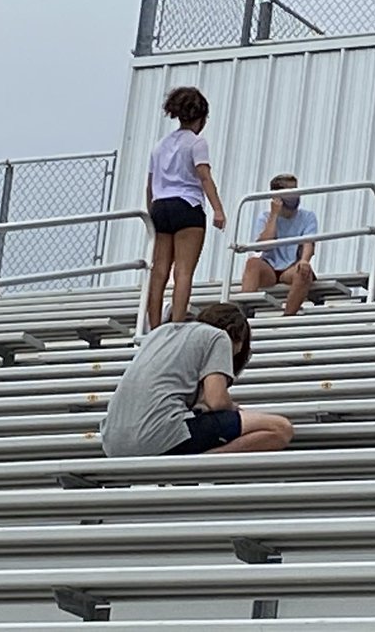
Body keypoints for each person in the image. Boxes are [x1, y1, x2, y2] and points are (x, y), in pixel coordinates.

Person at [100, 303, 293, 457]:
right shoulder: (219, 337)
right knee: (280, 428)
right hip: (158, 435)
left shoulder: (160, 333)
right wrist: (233, 407)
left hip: (113, 444)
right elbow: (216, 400)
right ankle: (204, 461)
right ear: (237, 339)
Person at [146, 87, 226, 330]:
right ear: (201, 117)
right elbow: (204, 176)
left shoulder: (160, 145)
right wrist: (218, 209)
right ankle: (177, 323)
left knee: (159, 271)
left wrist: (151, 213)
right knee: (183, 270)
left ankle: (154, 324)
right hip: (187, 205)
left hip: (160, 205)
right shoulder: (196, 142)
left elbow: (149, 184)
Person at [240, 173, 319, 316]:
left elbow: (309, 243)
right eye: (290, 192)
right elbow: (264, 246)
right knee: (252, 264)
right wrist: (274, 215)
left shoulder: (308, 217)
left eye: (296, 190)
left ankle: (287, 317)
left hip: (291, 267)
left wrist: (304, 260)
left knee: (304, 271)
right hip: (270, 266)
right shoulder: (265, 217)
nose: (295, 196)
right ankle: (245, 314)